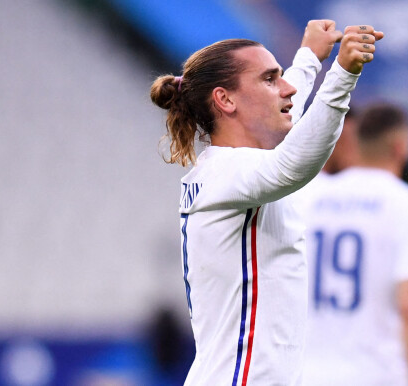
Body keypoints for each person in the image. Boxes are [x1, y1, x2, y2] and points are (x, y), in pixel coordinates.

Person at [149, 20, 384, 385]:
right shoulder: (228, 170)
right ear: (225, 99)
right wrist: (341, 75)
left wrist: (309, 59)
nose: (286, 88)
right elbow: (295, 162)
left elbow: (289, 126)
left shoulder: (233, 171)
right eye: (270, 79)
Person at [301, 103, 408, 386]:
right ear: (401, 147)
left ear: (355, 142)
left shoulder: (306, 199)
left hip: (303, 374)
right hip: (378, 374)